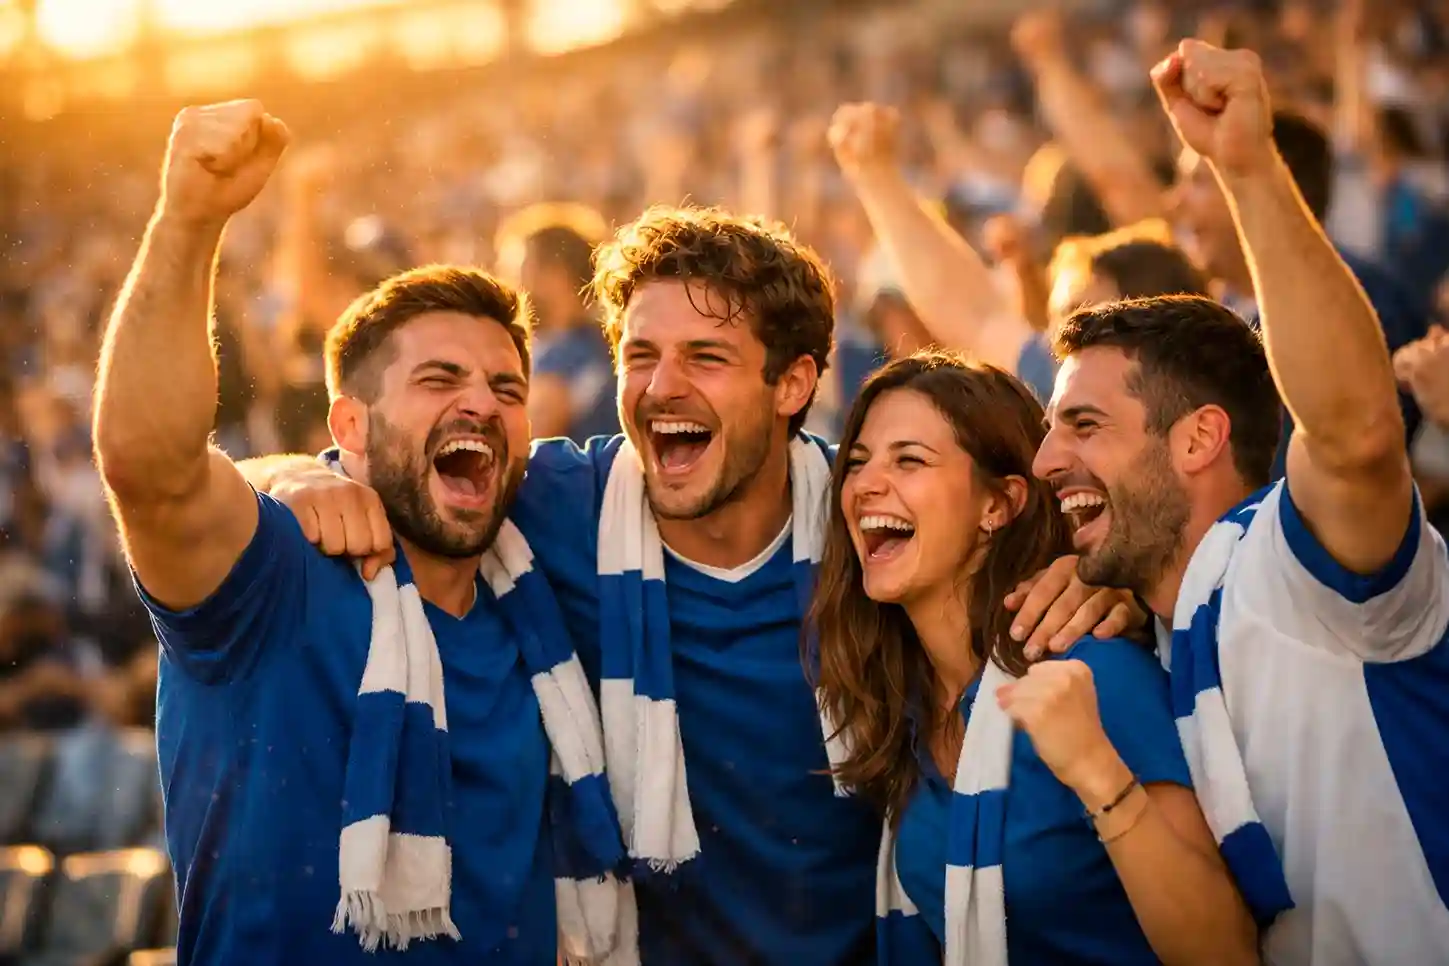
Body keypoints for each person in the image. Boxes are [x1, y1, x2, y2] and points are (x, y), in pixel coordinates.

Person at [245, 206, 1144, 965]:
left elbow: (1030, 524)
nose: (660, 389)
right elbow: (350, 467)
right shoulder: (562, 503)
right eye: (640, 356)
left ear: (792, 382)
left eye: (705, 359)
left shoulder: (871, 518)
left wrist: (1102, 580)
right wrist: (298, 478)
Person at [93, 101, 624, 966]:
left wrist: (288, 463)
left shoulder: (545, 592)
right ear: (353, 424)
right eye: (439, 378)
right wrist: (188, 219)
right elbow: (150, 465)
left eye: (505, 387)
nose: (481, 403)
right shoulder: (273, 573)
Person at [1034, 41, 1449, 964]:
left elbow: (1355, 435)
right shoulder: (1167, 625)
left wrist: (1249, 170)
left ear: (1196, 439)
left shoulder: (1292, 564)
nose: (1043, 456)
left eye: (1083, 425)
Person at [813, 353, 1256, 965]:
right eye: (857, 462)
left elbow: (1226, 952)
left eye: (909, 460)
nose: (865, 484)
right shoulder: (905, 705)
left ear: (999, 505)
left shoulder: (1094, 672)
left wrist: (1094, 768)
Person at [826, 102, 1207, 404]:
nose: (1057, 337)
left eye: (1078, 315)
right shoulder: (1060, 380)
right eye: (1057, 319)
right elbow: (977, 316)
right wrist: (875, 175)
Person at [494, 202, 618, 443]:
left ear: (555, 275)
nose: (509, 283)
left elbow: (524, 442)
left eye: (517, 270)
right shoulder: (599, 343)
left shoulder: (568, 356)